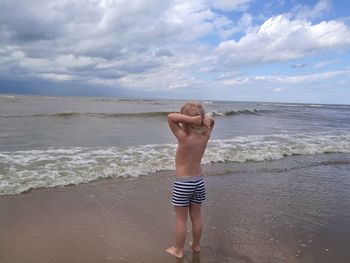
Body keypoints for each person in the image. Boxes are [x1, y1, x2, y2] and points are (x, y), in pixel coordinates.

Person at [166, 101, 215, 258]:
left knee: (181, 219)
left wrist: (191, 120)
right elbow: (212, 122)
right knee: (196, 216)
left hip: (183, 183)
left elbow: (170, 117)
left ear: (185, 119)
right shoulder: (205, 134)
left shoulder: (183, 136)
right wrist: (205, 120)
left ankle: (178, 250)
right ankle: (196, 245)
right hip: (198, 181)